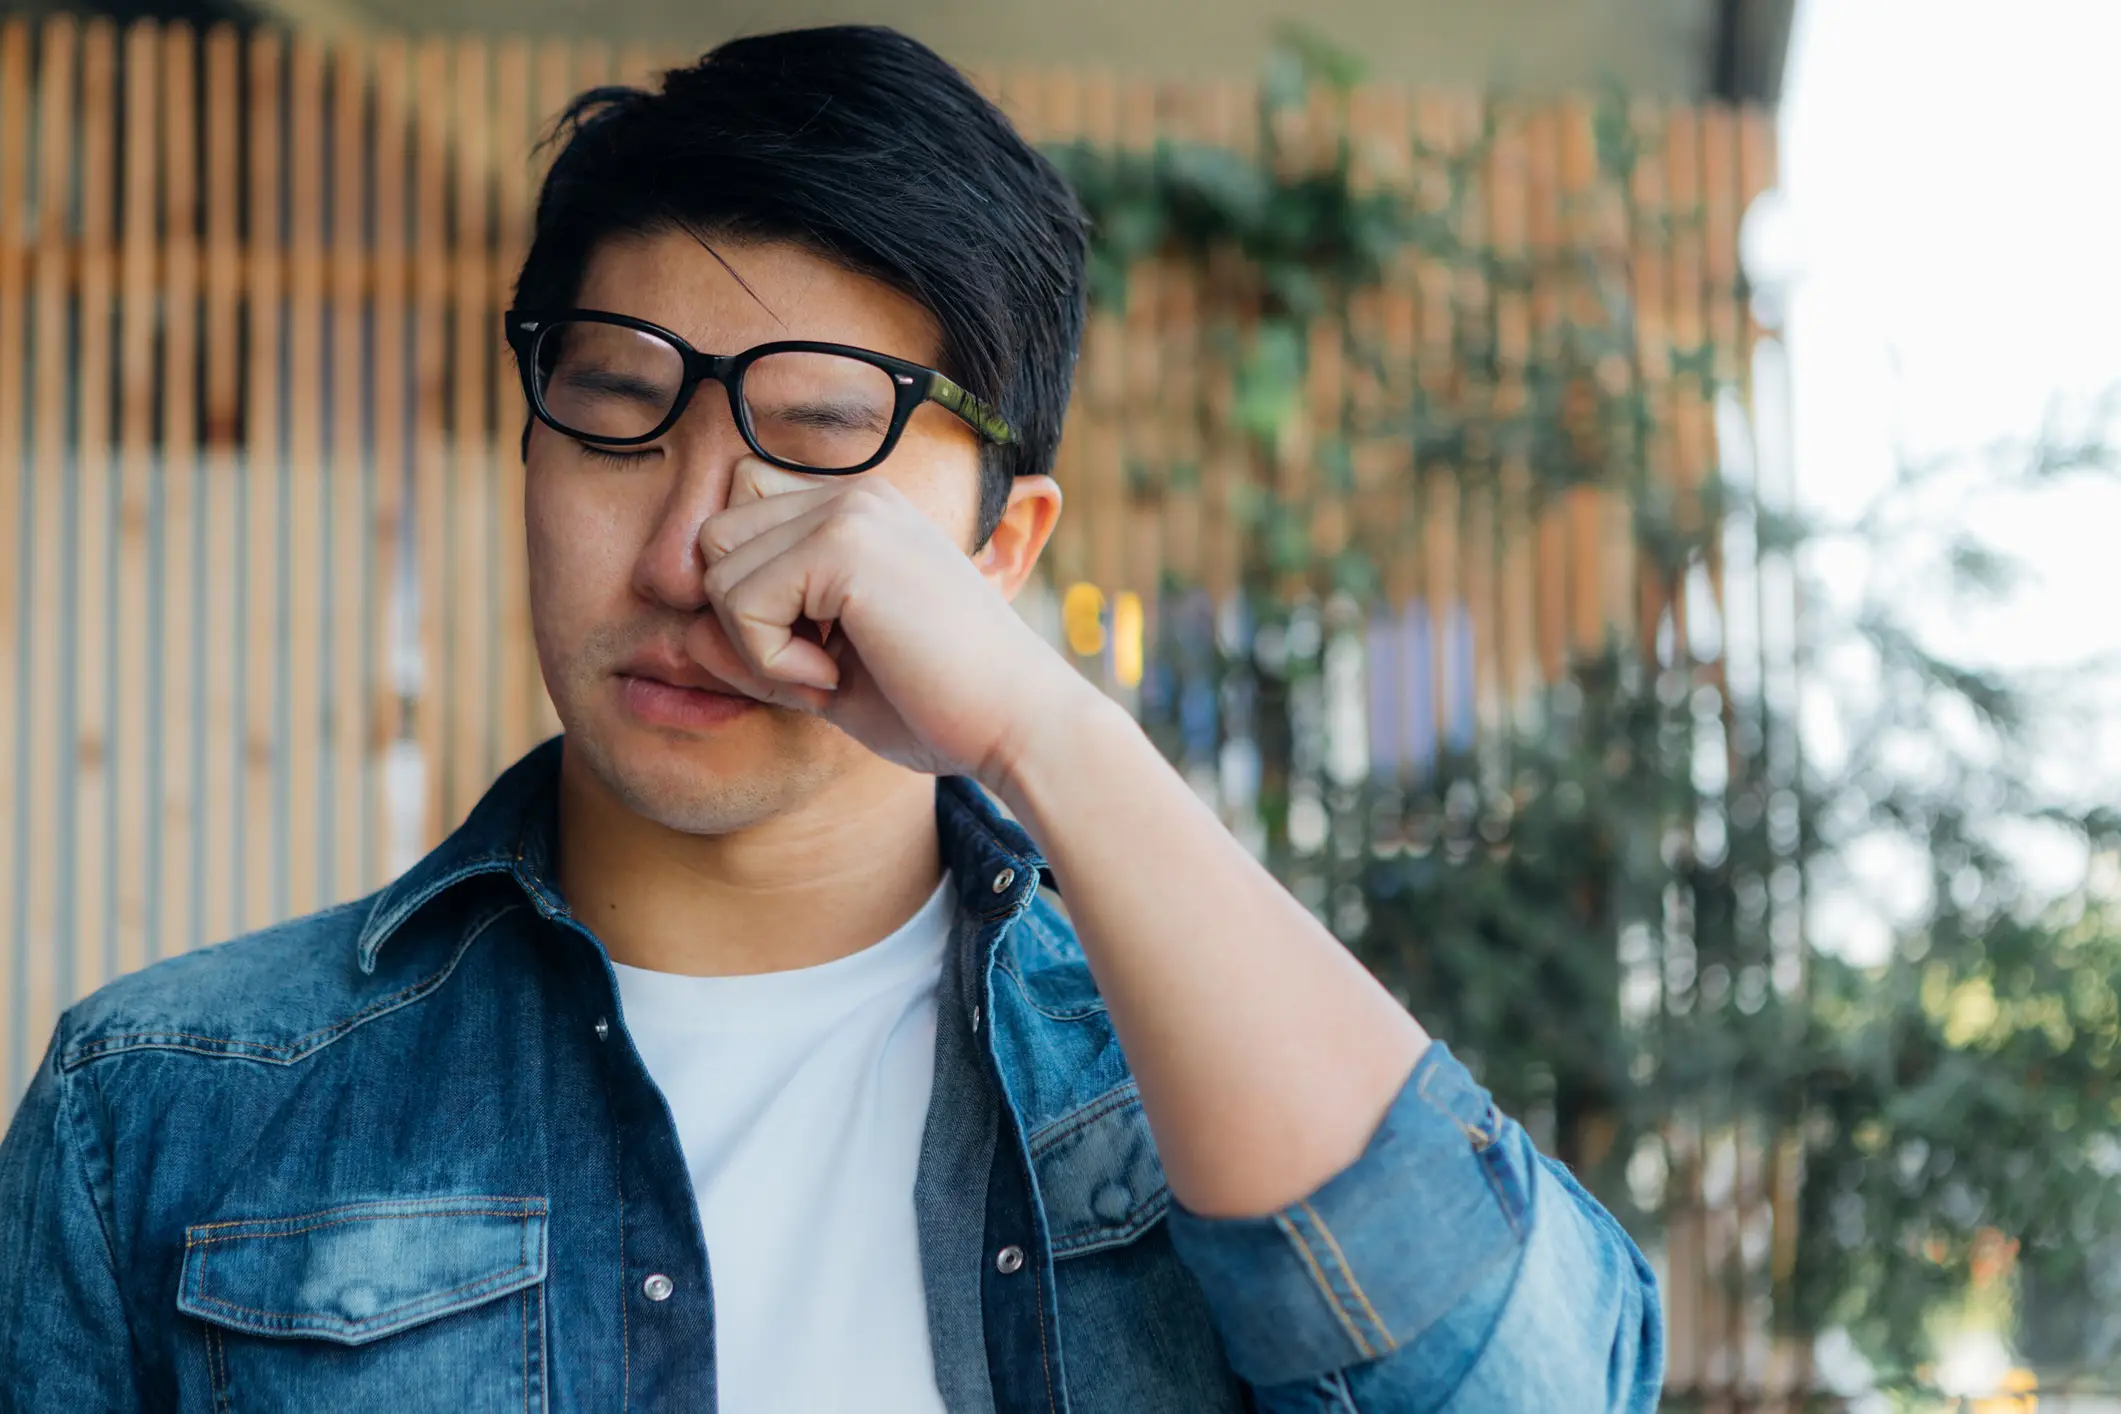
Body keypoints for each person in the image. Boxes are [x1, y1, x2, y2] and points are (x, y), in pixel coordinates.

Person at [0, 25, 1660, 1413]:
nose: (688, 554)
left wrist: (1042, 725)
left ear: (1000, 549)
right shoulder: (160, 1112)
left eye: (814, 440)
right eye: (616, 405)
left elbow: (1542, 1386)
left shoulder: (1210, 1083)